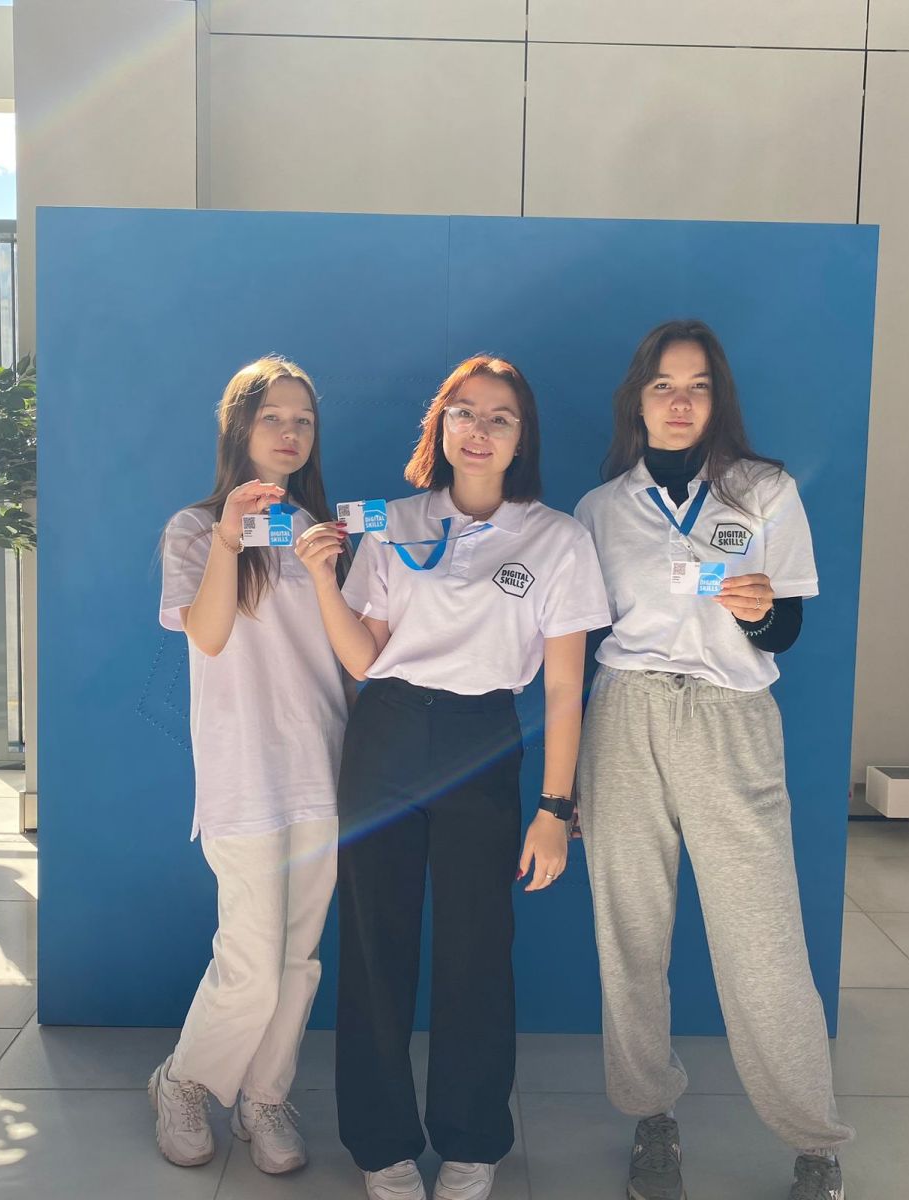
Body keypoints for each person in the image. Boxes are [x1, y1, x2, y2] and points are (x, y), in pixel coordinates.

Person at [294, 355, 610, 1200]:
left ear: (521, 438)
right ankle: (381, 1146)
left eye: (499, 417)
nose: (479, 430)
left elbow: (564, 688)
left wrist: (554, 807)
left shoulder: (557, 540)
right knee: (375, 947)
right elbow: (363, 659)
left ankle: (472, 1142)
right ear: (439, 426)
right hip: (387, 732)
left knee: (477, 951)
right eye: (463, 412)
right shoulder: (394, 522)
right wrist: (322, 578)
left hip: (482, 739)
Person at [574, 320, 854, 1200]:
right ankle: (651, 1117)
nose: (679, 401)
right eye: (662, 384)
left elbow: (788, 628)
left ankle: (813, 1138)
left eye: (696, 385)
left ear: (716, 398)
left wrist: (760, 611)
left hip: (731, 717)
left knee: (761, 939)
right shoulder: (599, 509)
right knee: (629, 935)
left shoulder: (763, 491)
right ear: (637, 398)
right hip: (625, 716)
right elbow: (573, 641)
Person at [149, 356, 349, 1176]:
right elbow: (208, 634)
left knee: (298, 962)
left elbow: (349, 652)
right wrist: (230, 537)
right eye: (273, 417)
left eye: (303, 419)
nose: (290, 432)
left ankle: (264, 1097)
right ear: (239, 427)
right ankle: (184, 1080)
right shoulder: (194, 529)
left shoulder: (322, 529)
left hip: (322, 767)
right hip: (240, 774)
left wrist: (327, 564)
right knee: (250, 965)